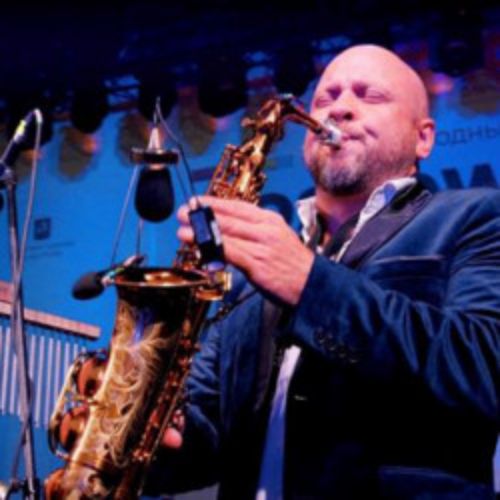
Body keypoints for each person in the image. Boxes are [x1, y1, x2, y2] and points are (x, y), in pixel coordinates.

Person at [145, 44, 500, 499]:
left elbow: (483, 367)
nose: (340, 109)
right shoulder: (260, 271)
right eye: (326, 97)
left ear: (423, 138)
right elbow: (208, 438)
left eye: (369, 96)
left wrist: (310, 284)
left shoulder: (476, 216)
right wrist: (160, 435)